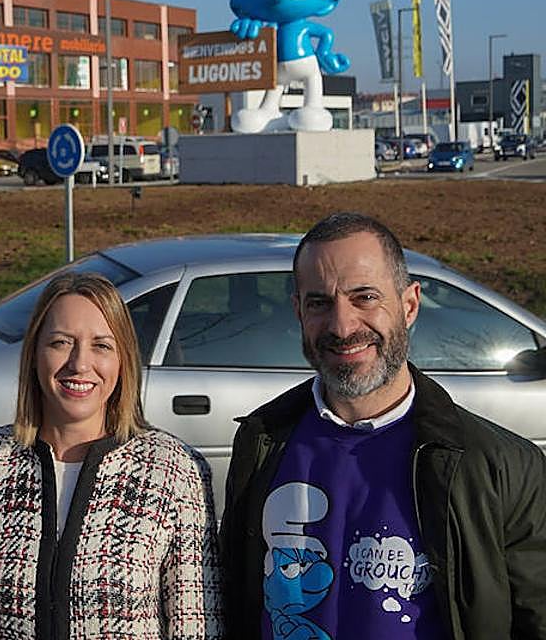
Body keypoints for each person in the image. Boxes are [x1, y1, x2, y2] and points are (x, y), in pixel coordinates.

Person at [220, 212, 546, 639]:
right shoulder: (262, 444)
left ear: (409, 305)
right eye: (320, 302)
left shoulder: (500, 466)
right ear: (299, 311)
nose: (342, 326)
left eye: (365, 297)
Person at [0, 271, 223, 639]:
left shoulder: (174, 472)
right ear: (35, 354)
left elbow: (197, 628)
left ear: (122, 361)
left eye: (101, 346)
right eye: (61, 342)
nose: (79, 363)